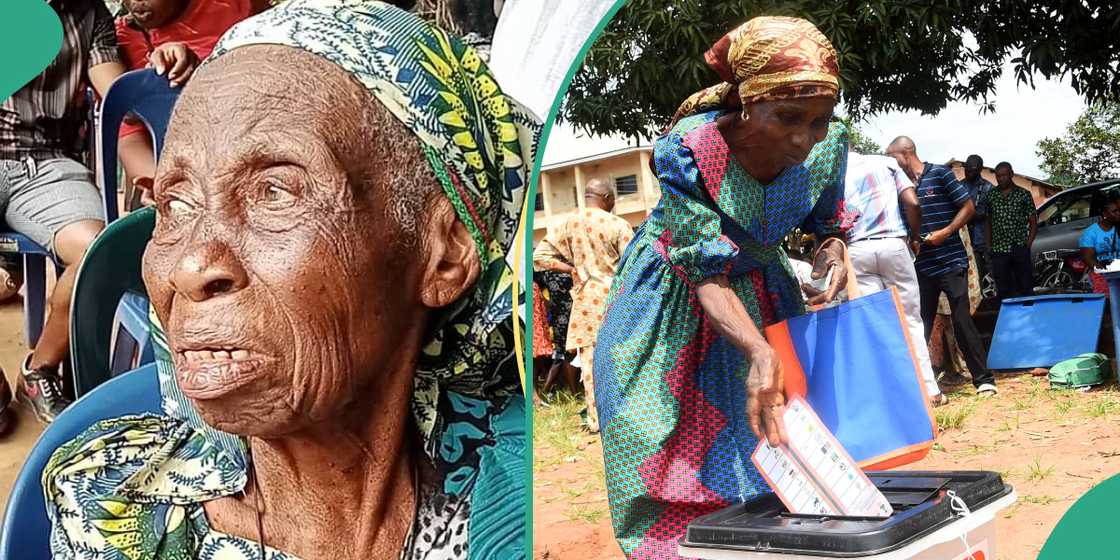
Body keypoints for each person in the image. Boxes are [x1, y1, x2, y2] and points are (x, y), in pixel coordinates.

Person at [44, 2, 537, 558]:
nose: (188, 268)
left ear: (445, 252)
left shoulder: (536, 498)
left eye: (275, 192)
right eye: (176, 204)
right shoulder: (109, 503)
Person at [593, 17, 854, 558]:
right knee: (653, 441)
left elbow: (829, 222)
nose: (805, 138)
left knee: (783, 451)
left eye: (819, 121)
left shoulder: (832, 146)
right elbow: (705, 274)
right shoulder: (691, 148)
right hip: (672, 301)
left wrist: (834, 249)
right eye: (786, 118)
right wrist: (758, 349)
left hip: (765, 292)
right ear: (746, 103)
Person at [0, 0, 195, 428]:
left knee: (98, 251)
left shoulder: (87, 13)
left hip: (44, 165)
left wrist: (160, 70)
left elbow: (118, 90)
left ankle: (40, 369)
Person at [114, 0, 268, 208]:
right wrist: (161, 182)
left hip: (253, 164)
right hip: (173, 182)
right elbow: (128, 135)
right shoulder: (119, 42)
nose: (135, 2)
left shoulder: (240, 8)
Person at [886, 136, 996, 396]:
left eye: (892, 156)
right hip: (921, 265)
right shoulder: (900, 184)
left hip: (950, 261)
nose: (890, 163)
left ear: (906, 152)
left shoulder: (939, 174)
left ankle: (983, 380)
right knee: (919, 323)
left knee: (961, 320)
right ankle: (916, 385)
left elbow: (968, 207)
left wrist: (946, 232)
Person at [844, 152, 946, 406]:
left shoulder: (835, 171)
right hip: (893, 245)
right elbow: (912, 202)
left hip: (856, 249)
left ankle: (890, 396)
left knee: (873, 323)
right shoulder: (885, 163)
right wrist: (914, 236)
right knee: (910, 320)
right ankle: (929, 390)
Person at [533, 178, 633, 432]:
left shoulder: (569, 222)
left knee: (589, 363)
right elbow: (634, 265)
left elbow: (540, 256)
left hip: (586, 302)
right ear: (609, 198)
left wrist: (571, 269)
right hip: (616, 301)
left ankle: (596, 419)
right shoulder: (618, 225)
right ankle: (626, 415)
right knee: (623, 358)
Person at [983, 161, 1037, 300]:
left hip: (1019, 247)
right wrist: (989, 246)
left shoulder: (1024, 194)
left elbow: (1033, 222)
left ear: (1011, 174)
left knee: (1025, 285)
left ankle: (1028, 314)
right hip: (999, 249)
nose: (1001, 179)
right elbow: (988, 222)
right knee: (1003, 288)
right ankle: (1007, 318)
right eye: (998, 176)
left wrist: (1028, 244)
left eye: (1004, 175)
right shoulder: (991, 196)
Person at [962, 154, 993, 288]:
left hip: (985, 239)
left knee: (992, 274)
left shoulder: (988, 188)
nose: (968, 172)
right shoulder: (959, 187)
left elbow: (992, 214)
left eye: (972, 170)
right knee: (974, 276)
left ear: (980, 169)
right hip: (966, 241)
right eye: (966, 169)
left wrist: (973, 215)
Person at [1080, 195, 1120, 294]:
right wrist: (1107, 273)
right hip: (1102, 273)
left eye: (1119, 210)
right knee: (1106, 295)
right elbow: (1089, 259)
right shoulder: (1091, 233)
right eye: (1114, 211)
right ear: (1104, 213)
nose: (1118, 213)